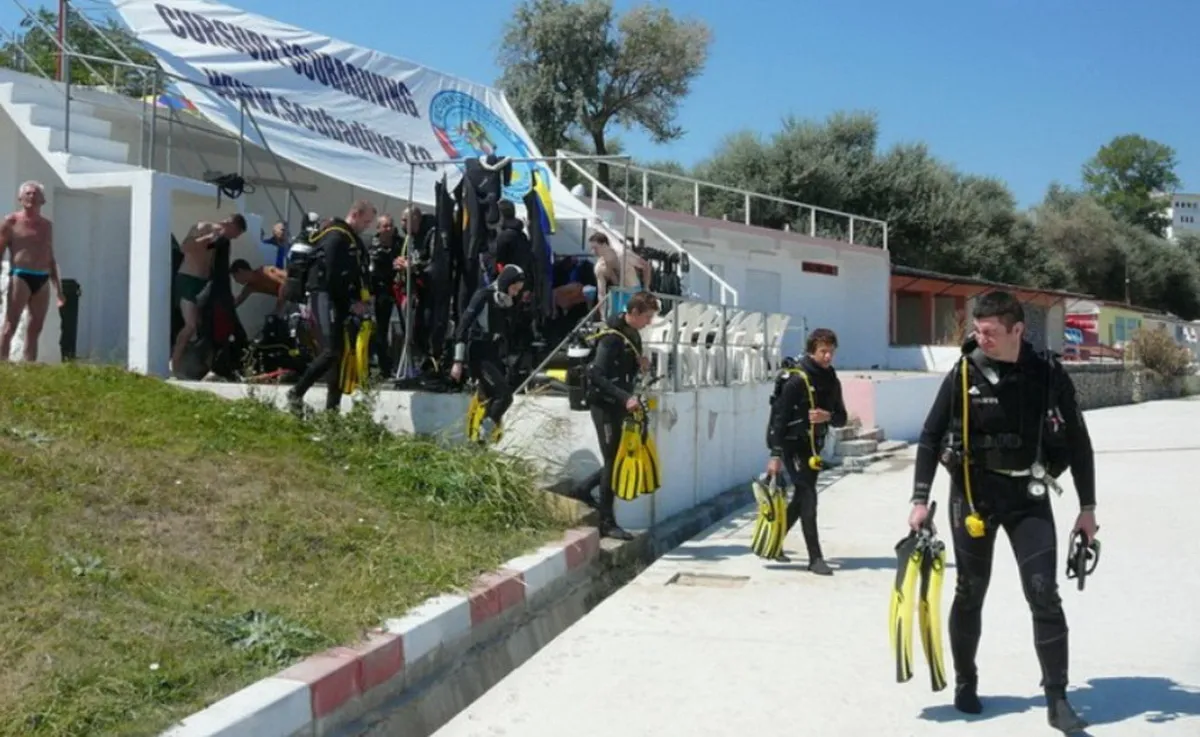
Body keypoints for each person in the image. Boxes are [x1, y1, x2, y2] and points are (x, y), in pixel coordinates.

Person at [908, 290, 1096, 733]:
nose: (981, 338)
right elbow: (930, 436)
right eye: (977, 330)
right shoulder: (963, 373)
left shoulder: (1047, 374)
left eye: (990, 332)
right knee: (970, 591)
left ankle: (1057, 698)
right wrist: (919, 500)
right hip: (973, 496)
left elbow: (1079, 443)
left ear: (1017, 331)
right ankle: (965, 681)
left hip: (1028, 498)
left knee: (1043, 592)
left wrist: (1087, 508)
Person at [576, 290, 660, 541]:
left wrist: (641, 365)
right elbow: (596, 374)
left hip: (619, 404)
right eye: (647, 316)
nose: (650, 322)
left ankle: (583, 489)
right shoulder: (612, 337)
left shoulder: (633, 334)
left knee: (616, 457)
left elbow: (625, 368)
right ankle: (606, 522)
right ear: (633, 313)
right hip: (604, 404)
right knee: (613, 460)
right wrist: (626, 398)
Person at [764, 328, 847, 575]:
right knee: (809, 495)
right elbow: (779, 418)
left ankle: (774, 540)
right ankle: (815, 557)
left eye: (831, 352)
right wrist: (775, 455)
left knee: (801, 497)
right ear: (812, 351)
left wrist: (827, 416)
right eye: (823, 351)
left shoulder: (832, 380)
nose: (828, 357)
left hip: (813, 448)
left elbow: (841, 418)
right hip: (792, 446)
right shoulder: (796, 379)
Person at [286, 200, 375, 414]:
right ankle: (296, 393)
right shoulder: (336, 236)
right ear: (355, 214)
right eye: (366, 221)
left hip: (338, 300)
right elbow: (331, 275)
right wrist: (353, 302)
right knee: (331, 351)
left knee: (340, 355)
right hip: (325, 298)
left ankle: (332, 412)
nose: (367, 226)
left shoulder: (349, 238)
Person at [450, 264, 526, 443]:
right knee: (503, 396)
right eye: (514, 289)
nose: (515, 293)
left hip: (494, 353)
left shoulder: (506, 301)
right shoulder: (482, 296)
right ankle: (484, 433)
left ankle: (478, 440)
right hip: (478, 353)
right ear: (506, 283)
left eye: (518, 290)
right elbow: (462, 328)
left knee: (489, 397)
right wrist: (458, 361)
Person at [170, 213, 247, 376]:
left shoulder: (222, 242)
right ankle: (174, 364)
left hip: (203, 283)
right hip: (188, 279)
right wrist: (209, 237)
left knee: (201, 327)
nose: (234, 237)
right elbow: (186, 248)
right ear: (232, 225)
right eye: (236, 233)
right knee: (190, 325)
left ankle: (194, 364)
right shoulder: (203, 227)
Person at [0, 181, 64, 362]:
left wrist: (58, 289)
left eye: (35, 194)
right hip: (21, 275)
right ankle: (2, 363)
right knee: (10, 323)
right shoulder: (11, 221)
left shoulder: (46, 225)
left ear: (43, 199)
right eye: (27, 193)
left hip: (42, 277)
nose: (31, 196)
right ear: (20, 198)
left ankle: (29, 365)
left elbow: (49, 256)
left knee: (35, 326)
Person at [589, 232, 652, 317]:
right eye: (592, 248)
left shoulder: (624, 255)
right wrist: (603, 315)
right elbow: (601, 293)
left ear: (604, 245)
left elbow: (646, 266)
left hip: (633, 292)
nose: (593, 252)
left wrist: (646, 287)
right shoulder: (599, 267)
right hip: (616, 296)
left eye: (595, 248)